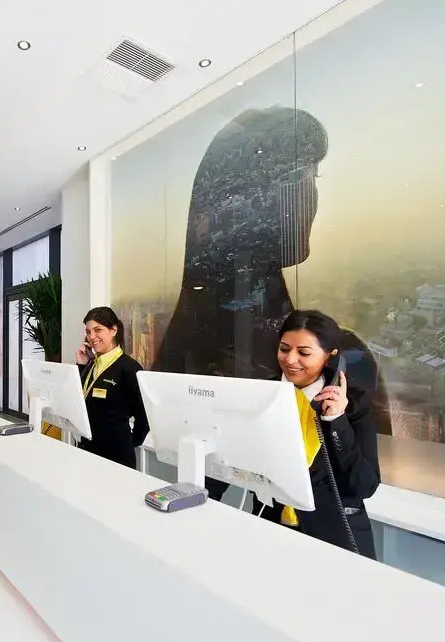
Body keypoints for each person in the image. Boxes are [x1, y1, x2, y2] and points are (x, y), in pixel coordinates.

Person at [150, 106, 392, 436]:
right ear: (236, 206)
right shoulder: (342, 357)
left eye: (313, 177)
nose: (309, 195)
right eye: (297, 178)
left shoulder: (183, 349)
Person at [237, 309, 380, 558]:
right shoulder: (261, 395)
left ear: (330, 357)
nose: (291, 360)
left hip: (334, 538)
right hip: (269, 531)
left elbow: (364, 485)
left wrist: (336, 421)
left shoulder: (354, 404)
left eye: (304, 353)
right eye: (284, 349)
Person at [75, 307, 150, 469]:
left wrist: (129, 442)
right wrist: (81, 366)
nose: (92, 337)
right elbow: (79, 399)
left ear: (113, 330)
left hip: (116, 456)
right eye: (88, 332)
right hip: (87, 449)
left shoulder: (130, 368)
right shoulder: (90, 365)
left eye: (98, 330)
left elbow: (144, 415)